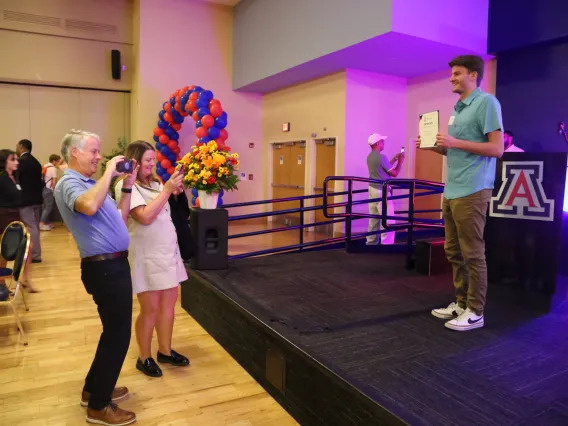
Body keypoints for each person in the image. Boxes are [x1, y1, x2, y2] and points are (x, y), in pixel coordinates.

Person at [54, 129, 139, 425]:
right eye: (93, 151)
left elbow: (120, 217)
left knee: (112, 333)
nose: (99, 157)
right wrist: (110, 174)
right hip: (105, 269)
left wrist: (126, 186)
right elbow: (88, 206)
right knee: (118, 335)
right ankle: (99, 407)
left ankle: (94, 390)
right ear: (74, 152)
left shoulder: (90, 183)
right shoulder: (69, 183)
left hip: (112, 266)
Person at [417, 55, 504, 332]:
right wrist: (436, 146)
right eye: (452, 74)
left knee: (472, 253)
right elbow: (457, 149)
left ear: (473, 75)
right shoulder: (457, 107)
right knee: (453, 250)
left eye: (457, 73)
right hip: (452, 189)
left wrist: (454, 141)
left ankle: (476, 311)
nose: (452, 78)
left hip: (473, 189)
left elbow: (497, 149)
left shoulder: (487, 103)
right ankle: (461, 302)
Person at [114, 141, 190, 378]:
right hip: (146, 255)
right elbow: (144, 217)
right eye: (147, 160)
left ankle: (165, 351)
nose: (151, 164)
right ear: (134, 161)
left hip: (168, 252)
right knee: (150, 309)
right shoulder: (126, 186)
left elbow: (171, 213)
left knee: (169, 306)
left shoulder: (156, 183)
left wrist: (175, 192)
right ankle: (143, 356)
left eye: (153, 160)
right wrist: (167, 191)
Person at [0, 149, 36, 292]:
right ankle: (1, 283)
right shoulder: (2, 178)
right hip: (4, 216)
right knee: (4, 250)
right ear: (4, 162)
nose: (16, 162)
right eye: (12, 159)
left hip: (15, 215)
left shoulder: (13, 177)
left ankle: (25, 278)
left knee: (28, 245)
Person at [366, 133, 405, 245]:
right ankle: (387, 244)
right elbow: (394, 173)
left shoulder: (370, 157)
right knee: (388, 219)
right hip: (381, 191)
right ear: (378, 143)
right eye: (382, 141)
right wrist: (401, 162)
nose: (383, 143)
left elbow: (384, 168)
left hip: (372, 189)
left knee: (373, 218)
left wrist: (393, 159)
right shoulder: (381, 157)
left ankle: (371, 242)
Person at [16, 139, 44, 263]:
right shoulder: (36, 162)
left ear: (22, 147)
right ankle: (34, 252)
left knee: (31, 227)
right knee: (35, 227)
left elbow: (17, 181)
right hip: (37, 199)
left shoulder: (21, 162)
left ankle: (35, 255)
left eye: (17, 146)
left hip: (25, 200)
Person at [40, 154, 62, 231]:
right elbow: (54, 181)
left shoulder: (45, 166)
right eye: (58, 161)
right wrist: (54, 190)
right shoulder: (53, 168)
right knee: (49, 207)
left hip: (43, 188)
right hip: (48, 189)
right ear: (54, 161)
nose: (58, 163)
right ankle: (42, 223)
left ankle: (47, 223)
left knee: (45, 207)